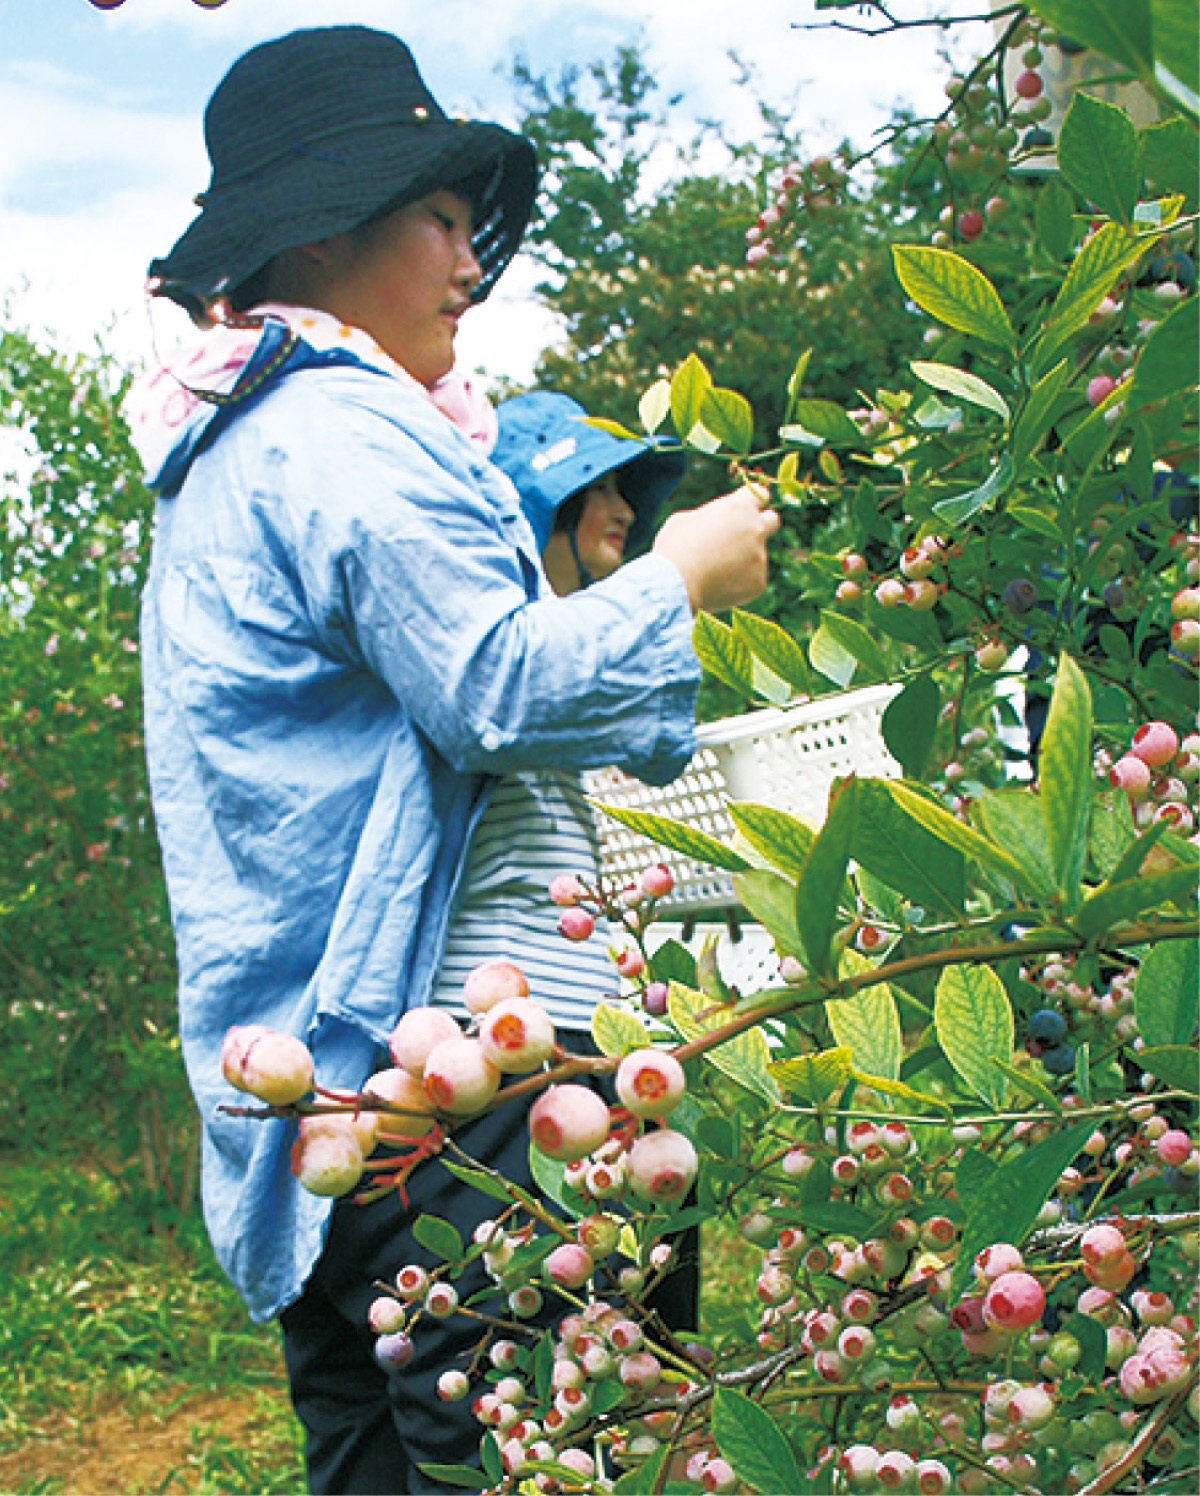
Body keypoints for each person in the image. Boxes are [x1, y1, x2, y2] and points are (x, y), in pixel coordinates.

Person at [131, 25, 778, 1496]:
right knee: (537, 1464)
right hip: (464, 1074)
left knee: (379, 1463)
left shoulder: (226, 456)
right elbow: (493, 688)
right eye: (436, 215)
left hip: (328, 1104)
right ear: (321, 230)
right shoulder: (337, 431)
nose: (469, 262)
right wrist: (678, 575)